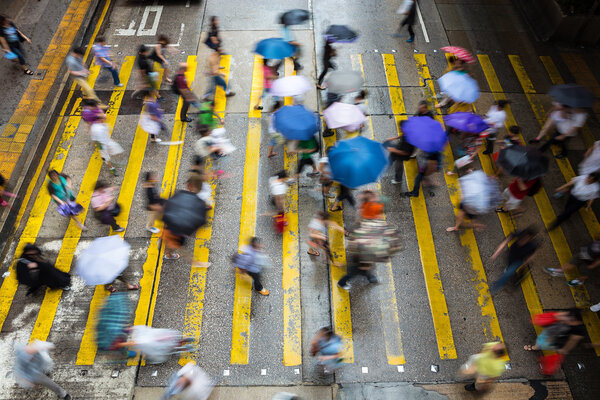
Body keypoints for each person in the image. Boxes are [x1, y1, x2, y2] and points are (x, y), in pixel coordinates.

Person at [489, 227, 539, 293]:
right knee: (509, 267)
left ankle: (495, 287)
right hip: (511, 254)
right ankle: (511, 273)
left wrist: (526, 262)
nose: (524, 239)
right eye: (524, 237)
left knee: (507, 274)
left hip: (518, 261)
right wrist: (496, 253)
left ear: (530, 238)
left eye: (527, 238)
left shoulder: (532, 245)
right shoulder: (519, 233)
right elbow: (506, 240)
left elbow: (533, 254)